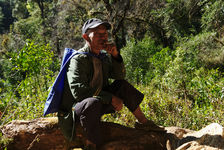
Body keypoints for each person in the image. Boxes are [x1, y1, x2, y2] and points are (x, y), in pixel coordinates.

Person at [57, 18, 165, 149]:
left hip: (98, 104)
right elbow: (78, 91)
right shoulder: (79, 59)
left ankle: (143, 122)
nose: (103, 37)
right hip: (78, 108)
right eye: (98, 34)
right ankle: (91, 145)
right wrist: (110, 98)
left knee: (122, 85)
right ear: (86, 37)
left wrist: (115, 56)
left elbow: (119, 76)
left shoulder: (103, 57)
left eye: (105, 34)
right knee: (92, 102)